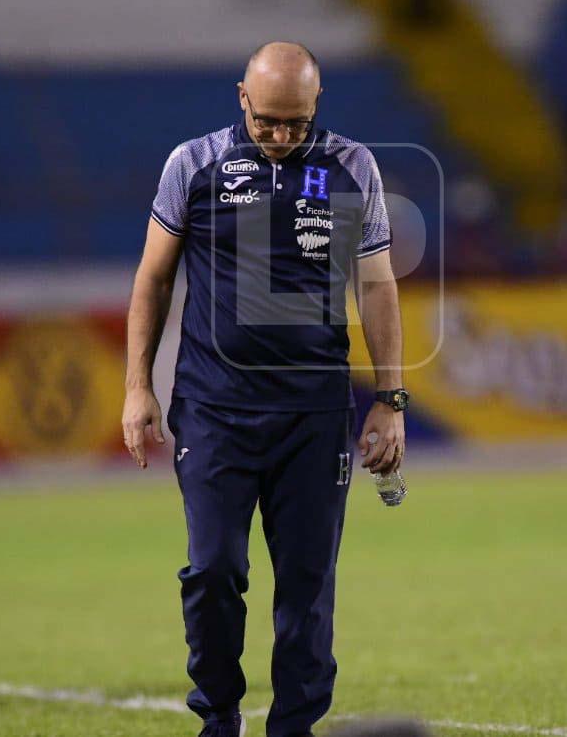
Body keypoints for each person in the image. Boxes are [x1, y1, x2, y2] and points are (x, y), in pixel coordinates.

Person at [121, 41, 409, 737]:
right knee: (214, 571)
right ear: (242, 99)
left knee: (307, 589)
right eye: (267, 121)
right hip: (214, 410)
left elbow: (376, 286)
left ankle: (294, 729)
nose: (281, 138)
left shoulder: (351, 168)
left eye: (296, 123)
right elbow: (153, 279)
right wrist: (137, 386)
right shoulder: (192, 166)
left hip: (313, 415)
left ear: (317, 106)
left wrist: (390, 401)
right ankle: (219, 718)